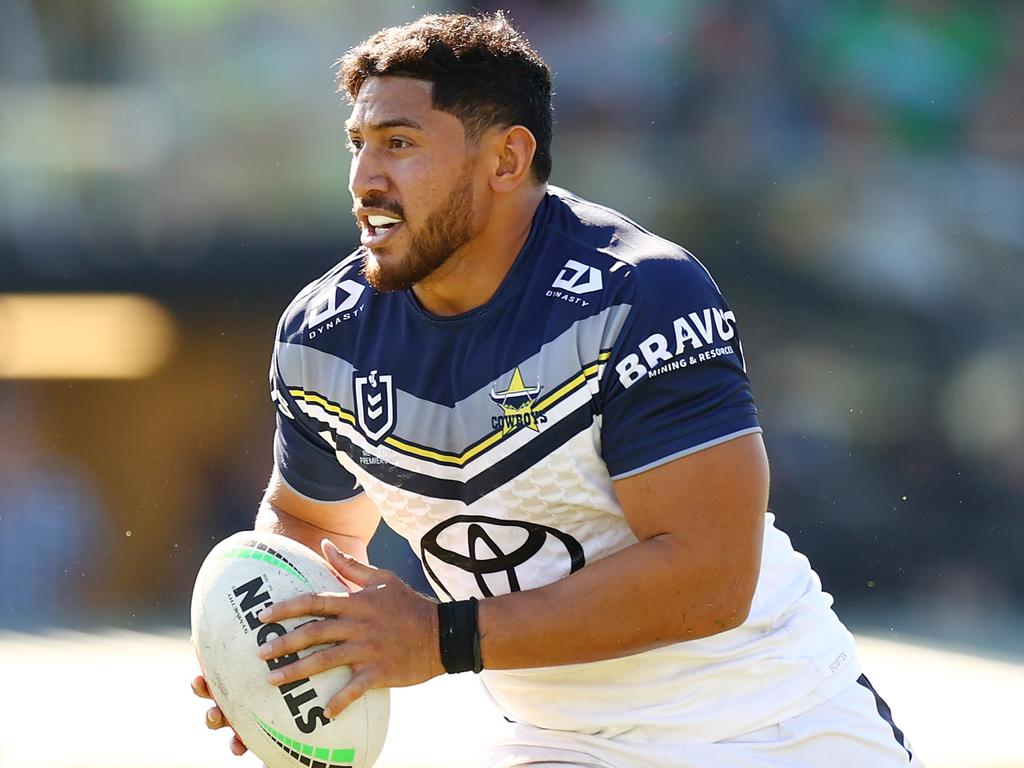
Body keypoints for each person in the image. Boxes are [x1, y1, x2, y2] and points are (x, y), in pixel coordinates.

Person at [193, 12, 921, 767]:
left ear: (507, 159)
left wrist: (436, 639)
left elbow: (710, 575)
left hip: (779, 720)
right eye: (358, 145)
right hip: (557, 742)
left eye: (399, 144)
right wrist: (277, 652)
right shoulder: (322, 334)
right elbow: (309, 522)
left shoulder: (640, 293)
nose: (364, 180)